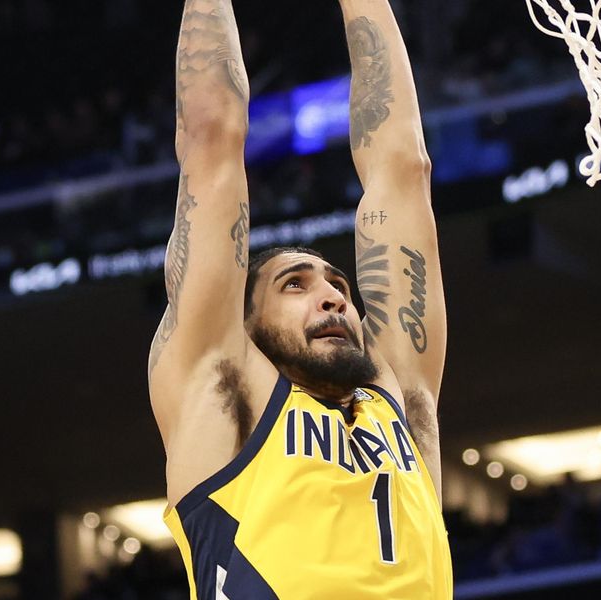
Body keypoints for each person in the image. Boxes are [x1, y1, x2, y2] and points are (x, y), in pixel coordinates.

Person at [147, 0, 451, 597]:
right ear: (248, 323)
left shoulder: (401, 401)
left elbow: (404, 168)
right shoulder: (222, 386)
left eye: (339, 286)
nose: (335, 298)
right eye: (296, 285)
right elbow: (211, 139)